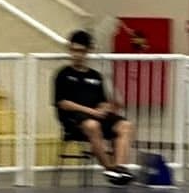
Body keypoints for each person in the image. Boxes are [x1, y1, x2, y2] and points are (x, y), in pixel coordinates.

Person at [54, 30, 135, 185]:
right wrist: (90, 111)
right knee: (93, 125)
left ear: (87, 52)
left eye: (81, 51)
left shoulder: (95, 76)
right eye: (74, 50)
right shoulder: (63, 74)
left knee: (126, 126)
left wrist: (105, 108)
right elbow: (63, 103)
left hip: (96, 115)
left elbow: (102, 101)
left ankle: (120, 167)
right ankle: (109, 168)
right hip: (74, 119)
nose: (77, 55)